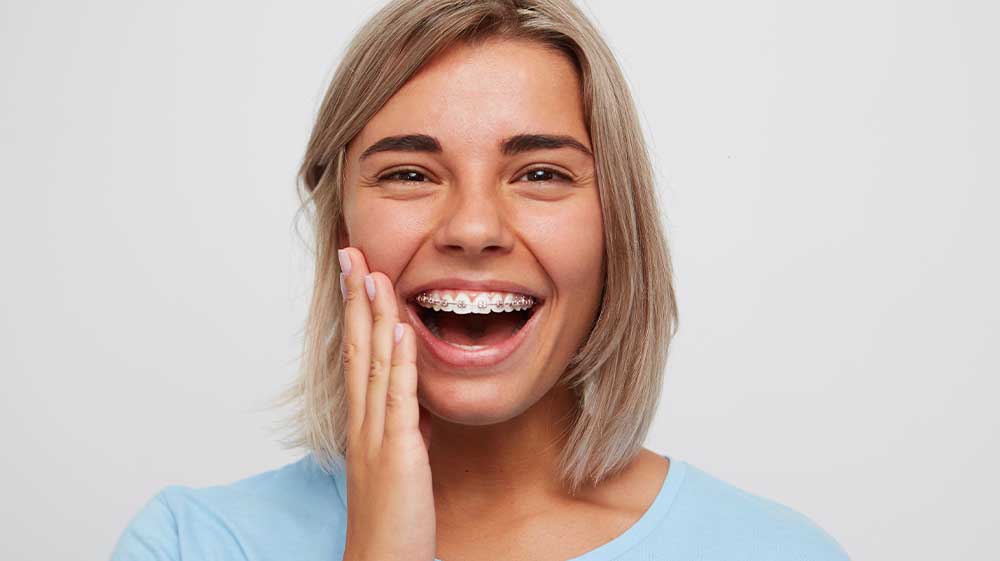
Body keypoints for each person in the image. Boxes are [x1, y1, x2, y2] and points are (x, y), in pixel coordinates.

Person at [111, 1, 851, 560]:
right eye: (408, 173)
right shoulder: (190, 543)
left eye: (540, 173)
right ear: (343, 228)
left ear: (614, 228)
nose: (473, 227)